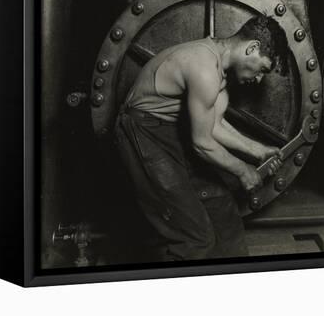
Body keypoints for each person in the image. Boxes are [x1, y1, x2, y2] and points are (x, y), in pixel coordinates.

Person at [114, 15, 289, 262]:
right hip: (142, 132)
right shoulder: (204, 67)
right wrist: (242, 170)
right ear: (252, 48)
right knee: (195, 237)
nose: (259, 79)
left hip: (169, 130)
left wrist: (258, 150)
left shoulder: (220, 73)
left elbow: (214, 125)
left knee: (222, 211)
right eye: (262, 69)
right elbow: (201, 143)